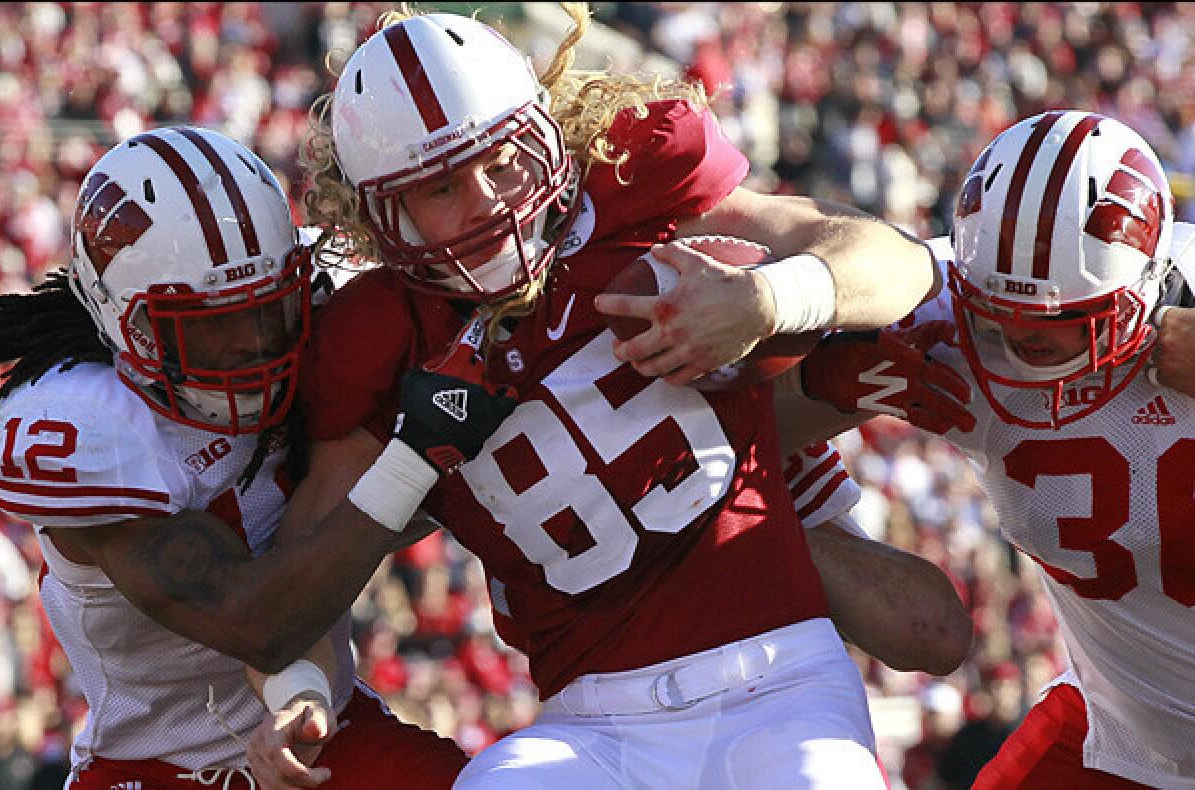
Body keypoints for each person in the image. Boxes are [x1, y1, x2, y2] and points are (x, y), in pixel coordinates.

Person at [257, 5, 958, 787]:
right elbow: (306, 574)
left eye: (500, 160)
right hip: (590, 722)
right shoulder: (380, 337)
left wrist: (769, 299)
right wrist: (300, 691)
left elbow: (898, 264)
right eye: (441, 187)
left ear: (544, 135)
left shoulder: (633, 184)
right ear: (382, 214)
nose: (487, 201)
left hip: (780, 676)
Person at [0, 127, 468, 789]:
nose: (252, 344)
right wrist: (417, 457)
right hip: (152, 768)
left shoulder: (329, 306)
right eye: (210, 324)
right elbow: (258, 620)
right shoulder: (83, 421)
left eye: (268, 308)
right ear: (124, 323)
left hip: (328, 722)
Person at [798, 110, 1195, 787]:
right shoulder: (956, 319)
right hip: (1131, 736)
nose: (1022, 340)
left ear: (1146, 287)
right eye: (999, 313)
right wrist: (789, 328)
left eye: (1063, 319)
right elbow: (859, 258)